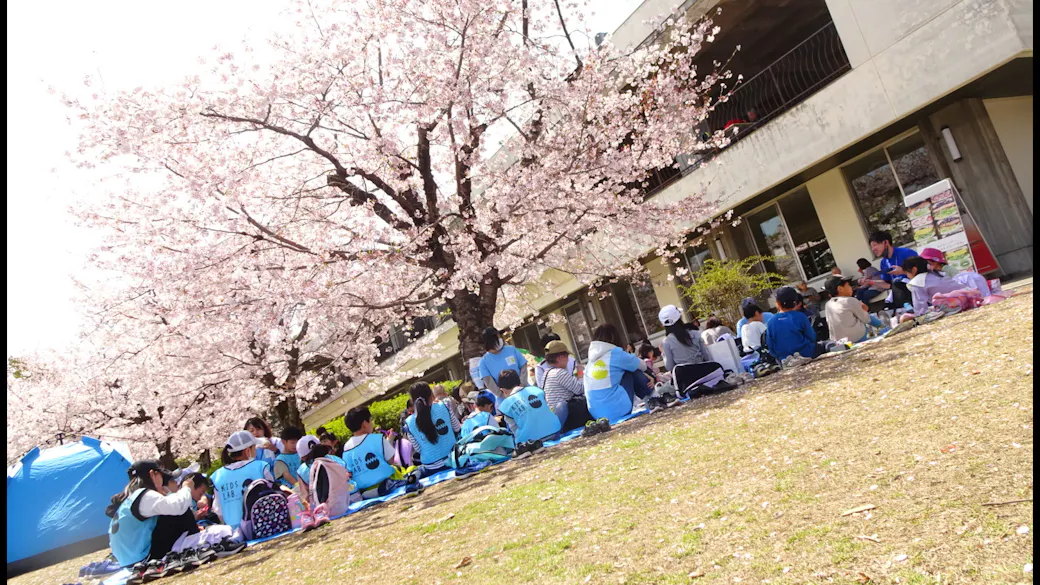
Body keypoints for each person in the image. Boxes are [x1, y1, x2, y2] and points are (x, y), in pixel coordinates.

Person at [106, 461, 236, 569]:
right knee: (180, 506)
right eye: (161, 476)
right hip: (144, 559)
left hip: (130, 561)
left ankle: (193, 537)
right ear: (153, 474)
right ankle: (195, 539)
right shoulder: (144, 494)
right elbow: (178, 506)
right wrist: (186, 488)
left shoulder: (131, 499)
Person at [584, 323, 666, 421]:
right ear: (615, 337)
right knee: (631, 369)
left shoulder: (590, 362)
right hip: (618, 410)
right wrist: (649, 375)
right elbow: (642, 365)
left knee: (627, 368)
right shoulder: (615, 353)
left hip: (598, 416)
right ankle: (653, 397)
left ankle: (652, 397)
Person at [342, 407, 422, 499]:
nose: (372, 423)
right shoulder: (377, 438)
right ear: (364, 424)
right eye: (370, 420)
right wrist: (390, 440)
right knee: (413, 472)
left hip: (364, 491)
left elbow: (349, 472)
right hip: (385, 484)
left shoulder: (346, 447)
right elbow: (391, 460)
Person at [209, 430, 276, 531]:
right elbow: (273, 494)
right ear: (247, 450)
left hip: (234, 532)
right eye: (254, 447)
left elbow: (219, 511)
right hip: (263, 526)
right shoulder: (260, 466)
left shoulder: (217, 476)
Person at [657, 305, 729, 397]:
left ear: (664, 324)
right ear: (680, 317)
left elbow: (670, 367)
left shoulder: (666, 341)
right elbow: (707, 357)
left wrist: (663, 353)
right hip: (704, 375)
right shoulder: (695, 333)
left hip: (685, 381)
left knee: (659, 390)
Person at [765, 287, 842, 361]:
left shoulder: (771, 322)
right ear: (795, 302)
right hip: (806, 353)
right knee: (826, 343)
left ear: (777, 303)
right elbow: (812, 337)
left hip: (784, 358)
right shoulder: (800, 316)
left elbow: (771, 348)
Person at [405, 382, 462, 478]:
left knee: (416, 471)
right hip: (453, 460)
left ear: (412, 401)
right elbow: (457, 428)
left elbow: (418, 449)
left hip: (431, 468)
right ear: (431, 395)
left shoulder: (408, 423)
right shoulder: (445, 405)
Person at [295, 435, 354, 520]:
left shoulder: (302, 470)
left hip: (326, 509)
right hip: (350, 496)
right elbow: (348, 474)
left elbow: (306, 496)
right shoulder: (334, 459)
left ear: (302, 456)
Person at [497, 369, 562, 446]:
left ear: (503, 390)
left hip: (531, 442)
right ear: (519, 382)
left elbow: (514, 429)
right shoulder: (537, 390)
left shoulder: (506, 405)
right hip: (554, 432)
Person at [541, 339, 594, 433]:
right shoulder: (560, 373)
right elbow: (580, 389)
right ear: (560, 357)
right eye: (567, 356)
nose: (568, 360)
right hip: (566, 417)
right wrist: (581, 374)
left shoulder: (546, 373)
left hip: (554, 416)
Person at [901, 256, 972, 316]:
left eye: (907, 273)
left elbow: (920, 311)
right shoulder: (936, 274)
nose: (907, 276)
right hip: (970, 297)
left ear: (914, 270)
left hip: (956, 305)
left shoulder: (917, 282)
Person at [823, 275, 884, 343]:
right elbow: (867, 319)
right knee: (873, 325)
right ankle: (885, 327)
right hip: (856, 338)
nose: (851, 287)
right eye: (848, 285)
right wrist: (866, 311)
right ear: (840, 288)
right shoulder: (849, 300)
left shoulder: (828, 305)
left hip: (838, 341)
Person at [476, 327, 529, 402]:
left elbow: (523, 366)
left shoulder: (511, 350)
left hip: (524, 390)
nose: (500, 338)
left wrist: (522, 384)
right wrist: (504, 395)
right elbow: (489, 383)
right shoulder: (483, 362)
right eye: (498, 337)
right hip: (506, 399)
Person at [868, 231, 916, 309]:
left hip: (916, 292)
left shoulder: (906, 253)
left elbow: (922, 273)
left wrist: (903, 272)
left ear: (886, 242)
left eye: (875, 245)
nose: (873, 249)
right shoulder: (883, 262)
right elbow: (888, 285)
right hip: (900, 297)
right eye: (871, 247)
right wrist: (870, 282)